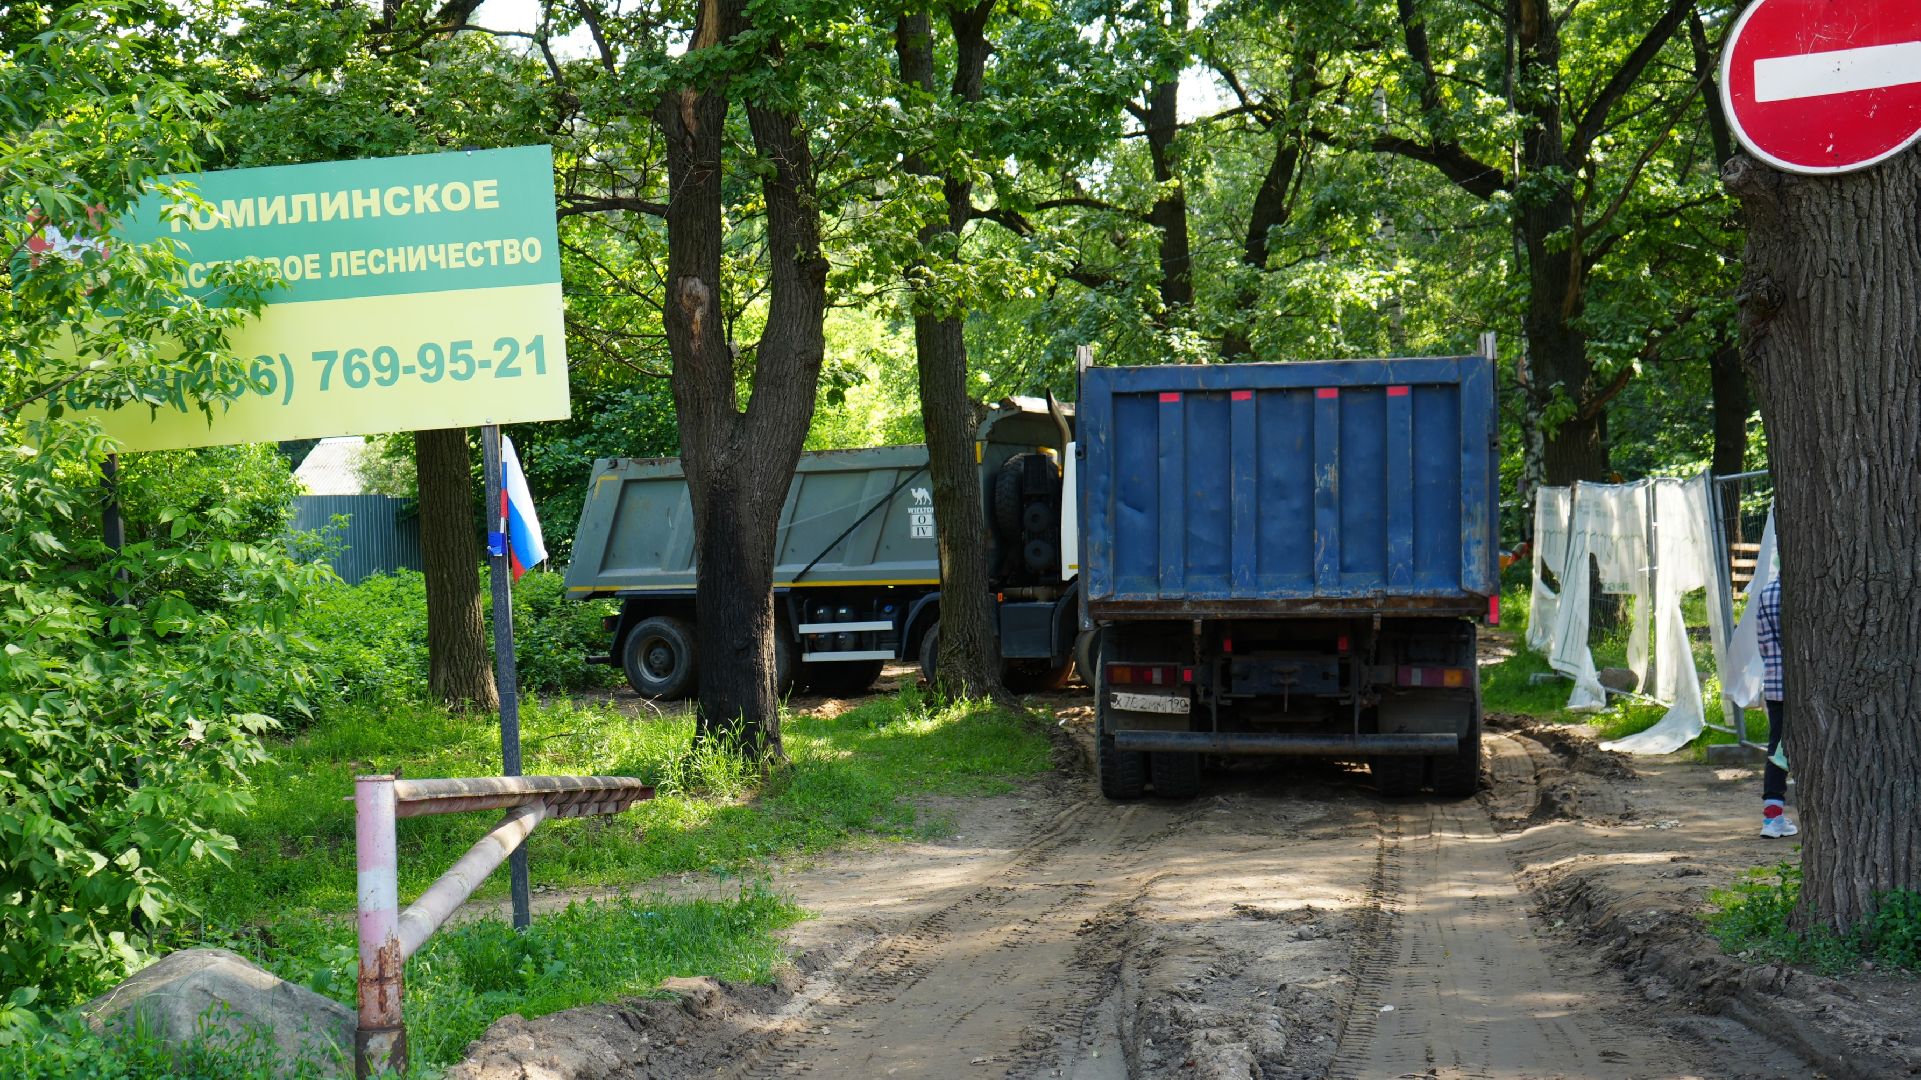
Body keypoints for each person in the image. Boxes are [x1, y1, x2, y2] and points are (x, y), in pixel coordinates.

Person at [1754, 574, 1797, 838]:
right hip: (1812, 688)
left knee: (1777, 749)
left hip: (1775, 685)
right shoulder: (1810, 589)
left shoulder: (1767, 593)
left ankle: (1772, 817)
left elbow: (1763, 644)